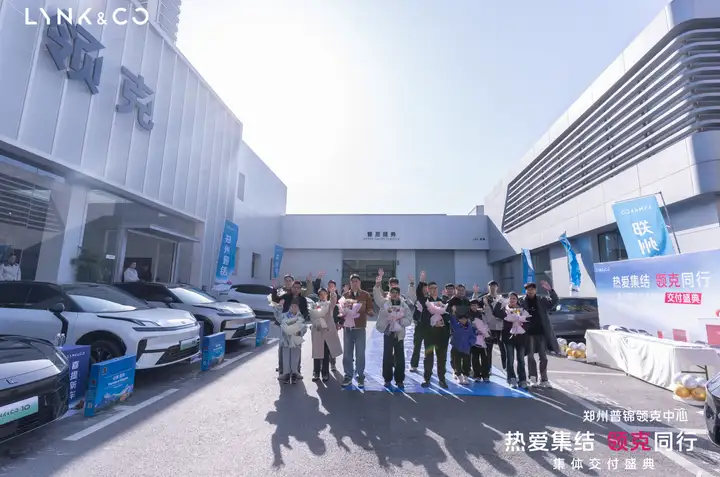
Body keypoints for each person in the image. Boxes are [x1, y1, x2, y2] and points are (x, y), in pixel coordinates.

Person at [271, 275, 314, 379]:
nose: (296, 289)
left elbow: (305, 313)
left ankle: (296, 371)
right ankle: (284, 371)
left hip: (297, 327)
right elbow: (275, 299)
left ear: (300, 289)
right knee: (285, 349)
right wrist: (274, 288)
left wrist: (300, 323)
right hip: (286, 325)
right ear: (292, 287)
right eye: (294, 287)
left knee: (297, 350)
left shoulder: (303, 299)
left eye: (298, 288)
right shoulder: (286, 296)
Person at [520, 281, 560, 388]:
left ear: (535, 290)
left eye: (533, 289)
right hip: (529, 333)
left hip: (542, 332)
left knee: (543, 356)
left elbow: (555, 301)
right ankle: (533, 378)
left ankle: (544, 379)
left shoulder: (542, 300)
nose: (531, 291)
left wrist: (550, 290)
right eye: (529, 289)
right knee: (530, 356)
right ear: (526, 291)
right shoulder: (522, 301)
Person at [374, 277, 412, 389]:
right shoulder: (385, 303)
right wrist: (377, 285)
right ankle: (387, 379)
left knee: (400, 358)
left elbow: (409, 319)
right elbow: (377, 297)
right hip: (388, 333)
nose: (394, 294)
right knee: (387, 356)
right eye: (392, 292)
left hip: (399, 334)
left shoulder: (403, 305)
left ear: (399, 294)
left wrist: (400, 321)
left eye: (396, 293)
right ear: (390, 293)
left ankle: (399, 380)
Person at [340, 274, 373, 388]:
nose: (355, 283)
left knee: (360, 353)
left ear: (360, 283)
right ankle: (348, 375)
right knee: (347, 354)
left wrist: (370, 312)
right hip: (348, 329)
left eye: (357, 281)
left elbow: (370, 308)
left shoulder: (366, 295)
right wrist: (342, 315)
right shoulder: (345, 295)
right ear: (350, 283)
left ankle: (360, 375)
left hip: (360, 328)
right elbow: (341, 311)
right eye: (353, 281)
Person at [417, 276, 450, 389]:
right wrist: (421, 282)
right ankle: (427, 378)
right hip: (429, 335)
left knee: (442, 358)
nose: (433, 290)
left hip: (442, 335)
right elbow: (423, 318)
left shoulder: (444, 301)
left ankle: (442, 379)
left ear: (437, 289)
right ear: (428, 289)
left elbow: (449, 315)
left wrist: (442, 322)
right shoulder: (425, 302)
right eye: (431, 288)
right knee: (428, 357)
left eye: (435, 288)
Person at [497, 292, 531, 389]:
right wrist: (499, 302)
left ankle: (522, 380)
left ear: (517, 300)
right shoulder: (505, 310)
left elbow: (528, 322)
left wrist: (520, 327)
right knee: (510, 359)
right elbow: (496, 313)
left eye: (514, 298)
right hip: (508, 338)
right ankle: (511, 378)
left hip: (521, 338)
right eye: (510, 298)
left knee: (521, 359)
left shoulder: (522, 310)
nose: (512, 300)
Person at [309, 285, 342, 382]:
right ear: (318, 296)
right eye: (321, 294)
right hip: (318, 331)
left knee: (326, 353)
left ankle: (325, 373)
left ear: (327, 295)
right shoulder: (314, 305)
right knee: (317, 353)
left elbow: (334, 301)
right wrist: (316, 323)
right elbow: (312, 316)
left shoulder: (329, 305)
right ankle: (316, 372)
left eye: (324, 294)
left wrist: (333, 292)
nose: (322, 296)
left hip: (327, 331)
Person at [473, 281, 507, 375]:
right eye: (491, 286)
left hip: (500, 326)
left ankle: (505, 368)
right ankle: (488, 368)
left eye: (494, 286)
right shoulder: (484, 298)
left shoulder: (501, 298)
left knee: (503, 348)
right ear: (488, 287)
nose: (492, 287)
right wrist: (475, 294)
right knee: (488, 349)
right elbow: (475, 306)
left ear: (497, 287)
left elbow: (506, 311)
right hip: (489, 327)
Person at [275, 298, 308, 384]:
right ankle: (286, 374)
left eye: (295, 307)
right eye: (292, 306)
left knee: (295, 357)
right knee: (286, 357)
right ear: (289, 307)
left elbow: (304, 327)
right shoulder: (284, 315)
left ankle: (294, 373)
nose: (293, 308)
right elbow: (277, 317)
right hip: (286, 340)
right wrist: (279, 306)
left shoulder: (300, 317)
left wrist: (299, 332)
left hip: (296, 340)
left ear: (298, 308)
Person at [446, 284, 470, 378]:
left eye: (462, 290)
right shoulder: (451, 301)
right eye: (458, 290)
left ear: (465, 291)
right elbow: (447, 313)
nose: (460, 292)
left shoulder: (467, 301)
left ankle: (466, 369)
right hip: (455, 329)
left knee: (466, 350)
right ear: (456, 291)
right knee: (455, 350)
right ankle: (455, 369)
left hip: (466, 329)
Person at [448, 305, 476, 384]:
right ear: (459, 319)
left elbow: (473, 337)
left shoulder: (470, 328)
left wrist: (470, 343)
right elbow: (452, 320)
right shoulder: (456, 326)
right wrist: (453, 312)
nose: (463, 320)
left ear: (467, 319)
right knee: (457, 363)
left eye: (464, 319)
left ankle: (466, 377)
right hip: (457, 348)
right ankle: (459, 376)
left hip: (466, 349)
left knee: (466, 363)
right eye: (461, 319)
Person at [409, 273, 429, 373]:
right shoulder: (418, 299)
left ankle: (428, 366)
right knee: (417, 346)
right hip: (419, 326)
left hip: (429, 327)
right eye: (423, 288)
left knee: (428, 348)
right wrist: (418, 282)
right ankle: (414, 365)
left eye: (426, 288)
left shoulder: (430, 299)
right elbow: (413, 293)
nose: (425, 290)